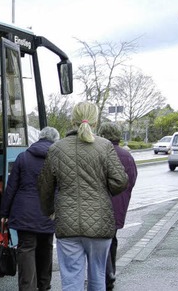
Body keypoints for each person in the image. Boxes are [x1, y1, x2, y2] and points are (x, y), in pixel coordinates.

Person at [37, 101, 128, 291]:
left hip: (67, 224)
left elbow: (45, 186)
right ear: (95, 123)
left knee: (71, 279)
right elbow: (120, 181)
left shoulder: (57, 148)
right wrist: (104, 188)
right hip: (100, 223)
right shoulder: (104, 146)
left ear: (72, 121)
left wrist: (49, 211)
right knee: (97, 277)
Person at [0, 126, 60, 291]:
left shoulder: (23, 157)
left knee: (26, 249)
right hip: (49, 213)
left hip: (24, 213)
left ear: (39, 138)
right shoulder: (59, 159)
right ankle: (44, 286)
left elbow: (11, 188)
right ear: (55, 141)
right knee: (46, 249)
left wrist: (4, 213)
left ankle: (27, 288)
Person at [97, 122, 138, 290]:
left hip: (99, 204)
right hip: (118, 204)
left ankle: (105, 275)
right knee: (111, 239)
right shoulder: (127, 156)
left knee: (99, 241)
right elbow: (132, 179)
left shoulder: (100, 152)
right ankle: (111, 271)